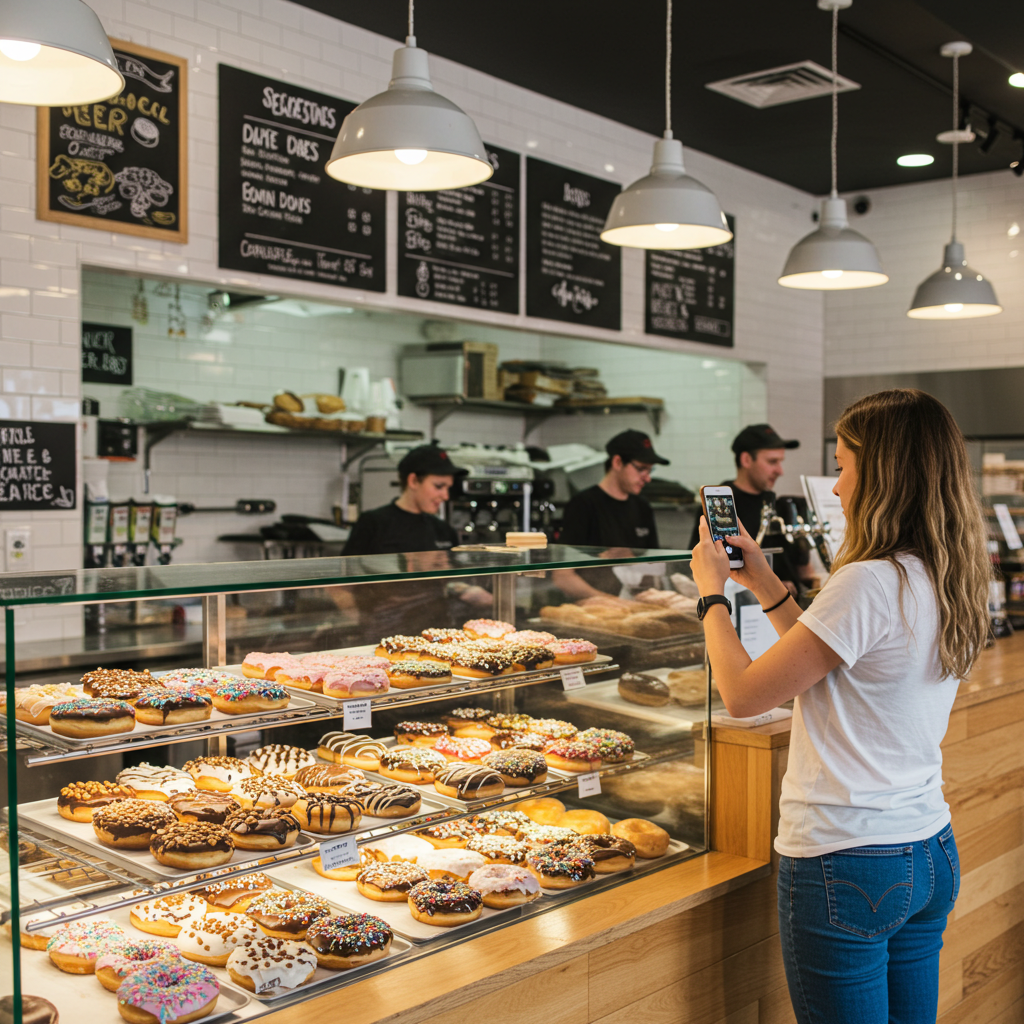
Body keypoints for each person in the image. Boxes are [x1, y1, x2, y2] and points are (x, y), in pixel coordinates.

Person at [690, 389, 989, 1024]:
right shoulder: (944, 572)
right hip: (928, 847)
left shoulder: (868, 579)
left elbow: (742, 696)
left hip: (847, 860)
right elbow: (832, 657)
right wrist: (763, 582)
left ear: (882, 474)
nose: (836, 487)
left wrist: (710, 594)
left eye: (843, 466)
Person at [689, 422, 800, 593]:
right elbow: (701, 568)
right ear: (746, 460)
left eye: (780, 462)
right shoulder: (719, 507)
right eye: (772, 462)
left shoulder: (774, 503)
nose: (780, 471)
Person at [342, 444, 465, 556]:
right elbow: (348, 571)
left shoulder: (444, 531)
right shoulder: (372, 524)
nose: (446, 496)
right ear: (413, 481)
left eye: (448, 488)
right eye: (439, 486)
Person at [559, 429, 668, 549]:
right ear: (617, 462)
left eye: (650, 470)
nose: (648, 478)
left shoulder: (643, 507)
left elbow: (653, 557)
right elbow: (568, 559)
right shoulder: (583, 505)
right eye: (641, 469)